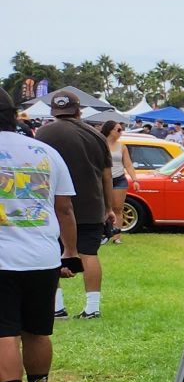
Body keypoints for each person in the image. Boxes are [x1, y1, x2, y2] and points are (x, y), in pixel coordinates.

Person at [0, 93, 80, 382]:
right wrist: (70, 252)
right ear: (14, 115)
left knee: (4, 333)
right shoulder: (45, 152)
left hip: (3, 259)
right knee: (37, 330)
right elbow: (65, 209)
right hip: (42, 256)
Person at [35, 93, 114, 319]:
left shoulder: (42, 133)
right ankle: (92, 307)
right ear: (79, 110)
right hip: (90, 204)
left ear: (53, 112)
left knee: (52, 253)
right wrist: (109, 208)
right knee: (89, 253)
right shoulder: (96, 136)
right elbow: (107, 176)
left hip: (53, 204)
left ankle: (57, 307)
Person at [99, 118, 128, 239]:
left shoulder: (122, 146)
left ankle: (117, 236)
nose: (121, 132)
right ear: (110, 131)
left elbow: (128, 164)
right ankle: (102, 233)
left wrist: (135, 179)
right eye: (119, 130)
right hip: (103, 179)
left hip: (118, 178)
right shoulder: (100, 144)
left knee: (118, 208)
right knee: (102, 208)